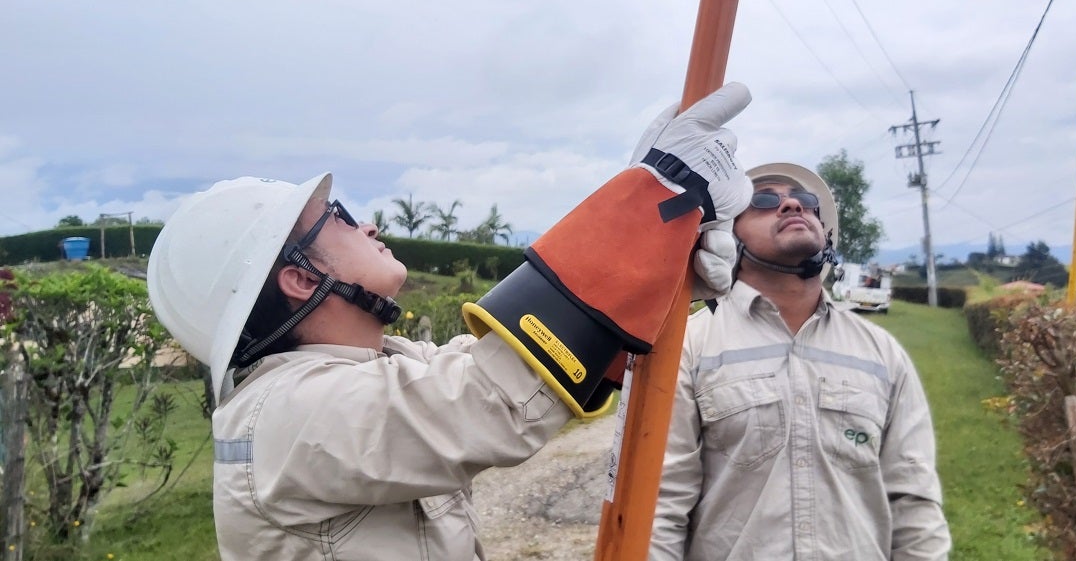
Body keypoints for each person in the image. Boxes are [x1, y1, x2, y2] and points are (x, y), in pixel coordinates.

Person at [146, 83, 753, 560]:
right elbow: (490, 400)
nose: (368, 226)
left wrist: (657, 265)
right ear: (301, 278)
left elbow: (485, 362)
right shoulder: (280, 414)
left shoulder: (378, 370)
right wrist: (652, 197)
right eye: (337, 218)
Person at [651, 163, 951, 560]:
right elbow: (662, 507)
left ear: (825, 234)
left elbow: (913, 499)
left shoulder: (881, 352)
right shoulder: (690, 346)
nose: (792, 203)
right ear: (727, 236)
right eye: (763, 200)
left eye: (806, 202)